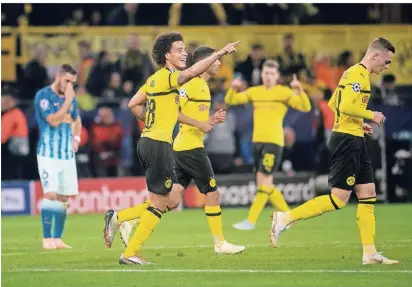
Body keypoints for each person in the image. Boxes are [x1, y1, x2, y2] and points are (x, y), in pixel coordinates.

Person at [102, 32, 240, 265]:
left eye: (185, 49)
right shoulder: (168, 77)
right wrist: (220, 52)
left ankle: (120, 219)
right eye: (179, 50)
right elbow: (193, 72)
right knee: (160, 203)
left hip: (148, 142)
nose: (184, 53)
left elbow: (132, 103)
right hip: (158, 145)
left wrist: (151, 121)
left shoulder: (153, 79)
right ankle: (130, 251)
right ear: (167, 55)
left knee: (167, 200)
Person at [270, 37, 399, 265]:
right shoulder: (359, 75)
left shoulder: (353, 74)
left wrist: (358, 123)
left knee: (368, 193)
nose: (386, 67)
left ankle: (369, 253)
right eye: (386, 62)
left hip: (354, 137)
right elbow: (344, 106)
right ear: (375, 55)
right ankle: (284, 218)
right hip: (346, 141)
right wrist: (371, 114)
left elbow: (333, 104)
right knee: (339, 200)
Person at [225, 60, 311, 231]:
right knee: (265, 185)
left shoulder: (284, 92)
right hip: (257, 142)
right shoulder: (255, 92)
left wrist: (299, 89)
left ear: (277, 76)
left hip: (274, 142)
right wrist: (233, 87)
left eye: (272, 74)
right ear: (261, 75)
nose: (268, 76)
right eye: (265, 73)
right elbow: (231, 100)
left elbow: (305, 107)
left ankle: (250, 221)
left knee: (264, 182)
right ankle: (290, 217)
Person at [34, 64, 82, 250]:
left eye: (73, 83)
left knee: (63, 197)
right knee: (51, 194)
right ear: (58, 76)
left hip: (67, 155)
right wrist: (68, 101)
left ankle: (57, 238)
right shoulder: (43, 96)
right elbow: (53, 121)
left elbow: (76, 120)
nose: (69, 85)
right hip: (48, 154)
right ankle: (46, 239)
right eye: (67, 81)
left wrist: (76, 138)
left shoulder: (71, 99)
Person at [1, 90, 29, 180]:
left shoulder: (10, 116)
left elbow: (2, 137)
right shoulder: (19, 113)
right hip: (22, 152)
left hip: (12, 152)